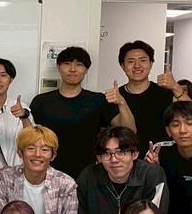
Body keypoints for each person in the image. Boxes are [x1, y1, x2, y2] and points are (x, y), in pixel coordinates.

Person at [30, 46, 135, 179]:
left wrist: (122, 103)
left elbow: (130, 130)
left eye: (79, 65)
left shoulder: (98, 100)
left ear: (86, 70)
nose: (73, 69)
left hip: (88, 173)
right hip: (48, 173)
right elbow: (30, 139)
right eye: (67, 64)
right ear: (58, 67)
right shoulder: (41, 101)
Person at [76, 126, 168, 214]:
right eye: (107, 153)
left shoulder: (151, 175)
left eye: (120, 152)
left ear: (135, 154)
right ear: (99, 157)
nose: (114, 159)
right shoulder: (88, 177)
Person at [117, 40, 190, 151]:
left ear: (151, 63)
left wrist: (175, 87)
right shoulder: (116, 97)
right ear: (122, 66)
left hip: (164, 155)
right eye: (131, 61)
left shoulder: (165, 93)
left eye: (143, 60)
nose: (137, 65)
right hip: (126, 157)